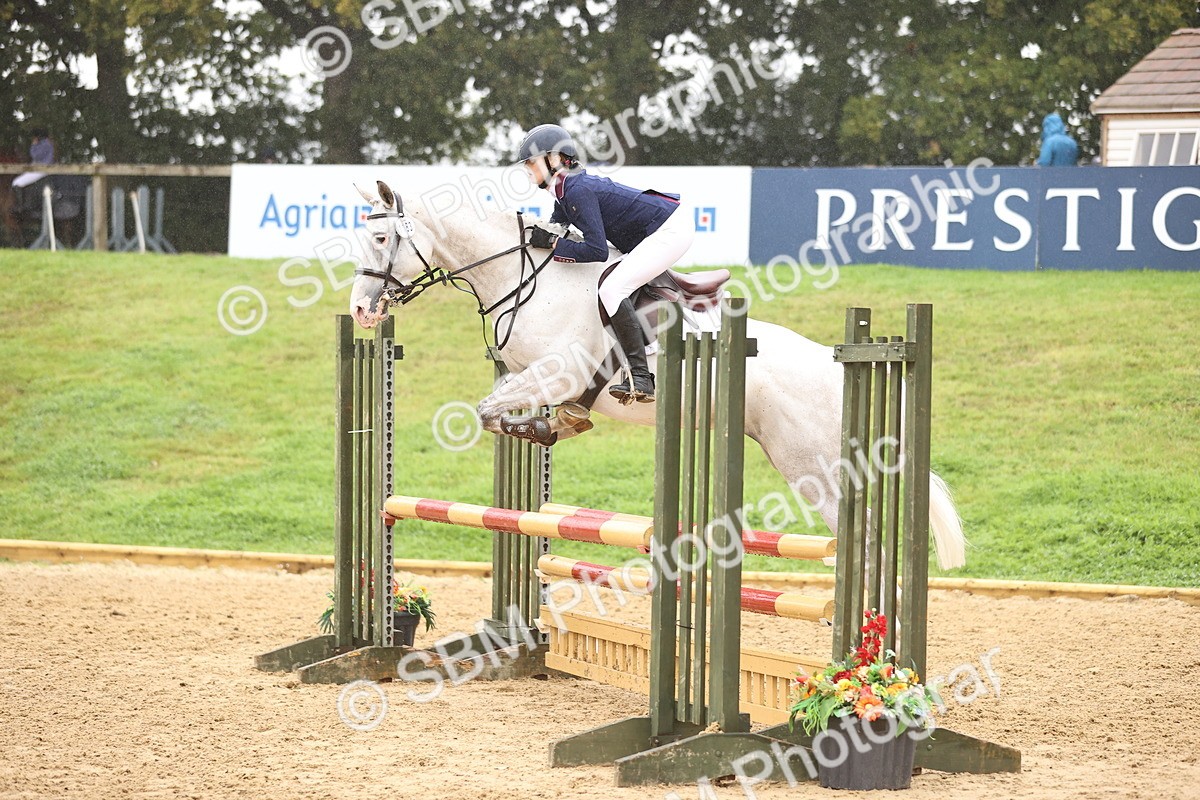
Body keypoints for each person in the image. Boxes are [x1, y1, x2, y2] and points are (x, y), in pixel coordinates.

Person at [516, 123, 694, 403]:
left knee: (612, 289)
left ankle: (641, 377)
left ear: (555, 158)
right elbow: (557, 229)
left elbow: (596, 250)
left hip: (670, 229)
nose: (528, 169)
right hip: (654, 229)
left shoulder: (576, 190)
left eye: (531, 161)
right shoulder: (564, 190)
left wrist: (551, 243)